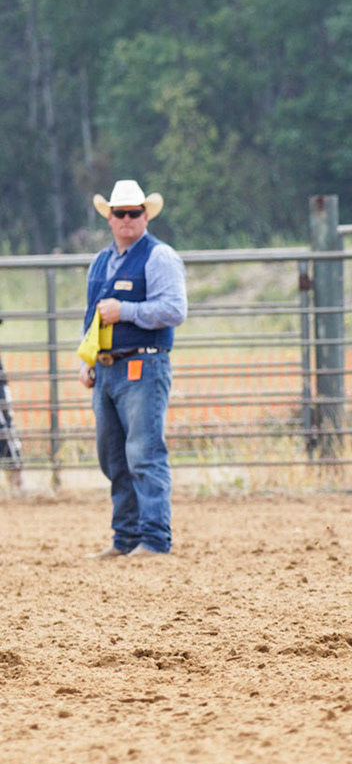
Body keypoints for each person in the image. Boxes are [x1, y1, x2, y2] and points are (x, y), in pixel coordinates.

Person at [79, 179, 188, 557]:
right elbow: (91, 316)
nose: (126, 219)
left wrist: (126, 311)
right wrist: (87, 359)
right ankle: (124, 539)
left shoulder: (160, 257)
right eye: (120, 213)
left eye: (133, 213)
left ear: (145, 216)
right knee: (113, 457)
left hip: (144, 363)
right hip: (108, 369)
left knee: (143, 454)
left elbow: (175, 309)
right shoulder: (100, 262)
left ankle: (154, 539)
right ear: (109, 217)